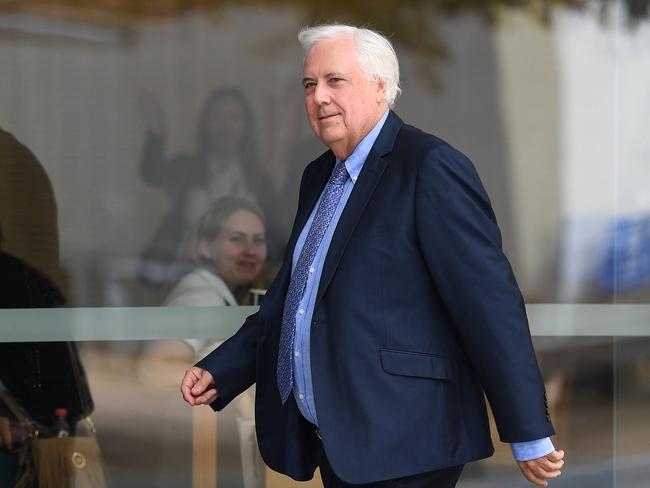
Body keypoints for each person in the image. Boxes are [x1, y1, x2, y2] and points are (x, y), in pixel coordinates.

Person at [181, 24, 565, 487]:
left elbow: (490, 304)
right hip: (339, 441)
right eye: (309, 84)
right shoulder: (317, 176)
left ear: (382, 87)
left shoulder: (429, 167)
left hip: (408, 440)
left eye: (334, 81)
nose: (318, 97)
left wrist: (527, 432)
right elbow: (294, 298)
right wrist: (224, 368)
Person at [143, 196, 267, 488]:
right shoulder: (201, 297)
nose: (250, 250)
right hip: (199, 460)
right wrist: (221, 388)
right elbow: (154, 368)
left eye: (258, 240)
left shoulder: (220, 294)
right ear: (205, 246)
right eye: (237, 239)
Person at [137, 87, 277, 290]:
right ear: (204, 125)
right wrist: (157, 130)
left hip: (242, 286)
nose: (225, 126)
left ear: (247, 127)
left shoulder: (260, 180)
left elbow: (274, 240)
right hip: (187, 279)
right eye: (217, 117)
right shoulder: (186, 169)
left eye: (235, 118)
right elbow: (150, 174)